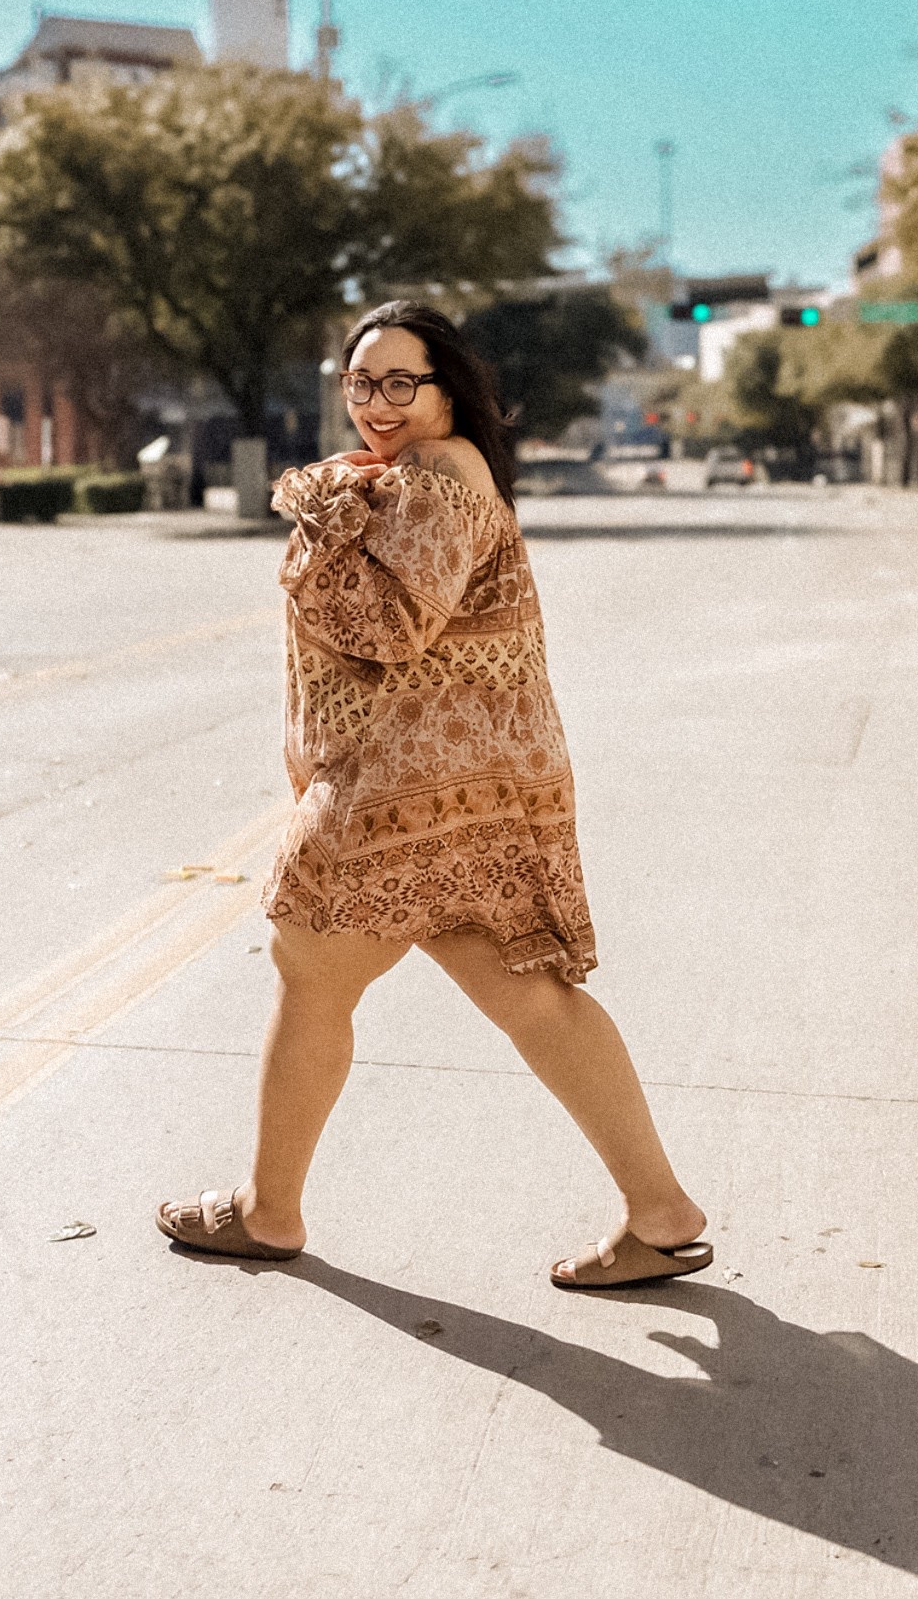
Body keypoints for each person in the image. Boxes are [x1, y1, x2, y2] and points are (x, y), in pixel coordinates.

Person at [157, 301, 710, 1288]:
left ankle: (268, 1210)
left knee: (311, 962)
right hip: (462, 787)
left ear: (447, 388)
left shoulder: (442, 475)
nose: (376, 402)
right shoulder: (419, 474)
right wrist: (349, 492)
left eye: (399, 382)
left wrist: (325, 501)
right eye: (360, 382)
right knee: (530, 999)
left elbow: (390, 622)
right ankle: (661, 1210)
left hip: (403, 791)